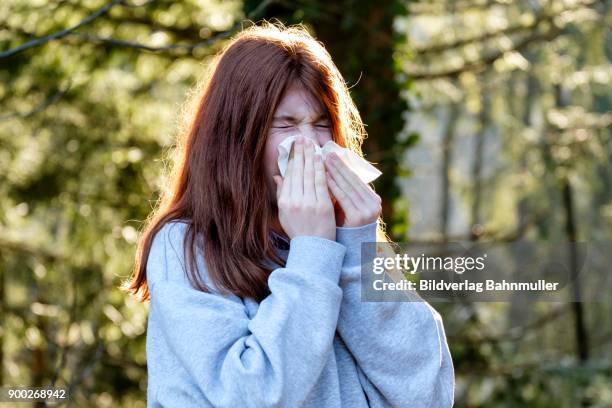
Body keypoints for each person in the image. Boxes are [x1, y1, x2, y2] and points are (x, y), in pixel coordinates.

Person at [124, 21, 454, 407]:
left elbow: (427, 392)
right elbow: (255, 396)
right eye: (286, 124)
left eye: (321, 124)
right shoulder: (186, 246)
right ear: (237, 136)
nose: (311, 145)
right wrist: (312, 252)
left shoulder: (343, 237)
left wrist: (357, 249)